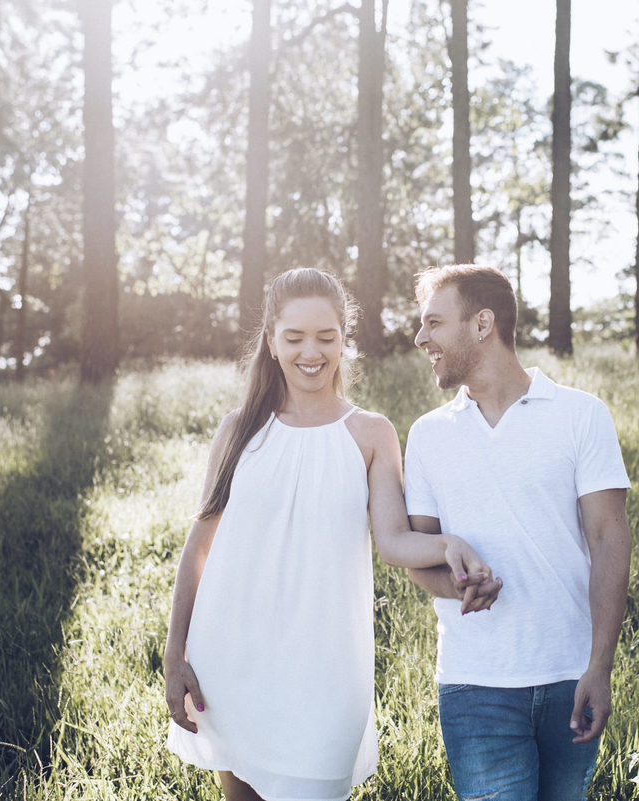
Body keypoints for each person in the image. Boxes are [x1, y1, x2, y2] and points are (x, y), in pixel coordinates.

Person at [163, 267, 494, 801]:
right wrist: (174, 653)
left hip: (325, 671)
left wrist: (447, 545)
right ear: (271, 341)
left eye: (326, 336)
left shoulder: (371, 433)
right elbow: (199, 546)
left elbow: (392, 540)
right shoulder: (239, 429)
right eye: (293, 337)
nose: (309, 352)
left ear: (345, 339)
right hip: (230, 660)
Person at [403, 264, 632, 801]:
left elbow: (610, 540)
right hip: (475, 684)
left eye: (434, 323)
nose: (420, 339)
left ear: (482, 324)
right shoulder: (428, 436)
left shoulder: (581, 416)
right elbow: (420, 559)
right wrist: (457, 585)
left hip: (569, 677)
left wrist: (600, 667)